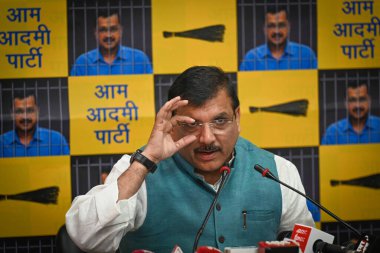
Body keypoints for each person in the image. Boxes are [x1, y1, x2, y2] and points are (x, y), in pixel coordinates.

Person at [66, 66, 314, 253]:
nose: (206, 138)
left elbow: (306, 244)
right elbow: (87, 238)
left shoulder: (279, 171)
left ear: (237, 118)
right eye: (191, 124)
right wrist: (148, 159)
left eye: (219, 121)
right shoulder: (138, 169)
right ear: (172, 124)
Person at [70, 10, 152, 76]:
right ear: (95, 33)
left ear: (121, 31)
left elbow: (150, 92)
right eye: (103, 30)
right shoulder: (83, 63)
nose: (108, 35)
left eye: (113, 29)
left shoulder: (139, 59)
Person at [240, 6, 317, 71]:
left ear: (288, 27)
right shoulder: (251, 58)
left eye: (281, 25)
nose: (276, 31)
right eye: (271, 26)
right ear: (264, 29)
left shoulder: (306, 55)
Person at [0, 90, 70, 157]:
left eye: (30, 110)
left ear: (38, 112)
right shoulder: (1, 142)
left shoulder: (56, 141)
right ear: (12, 114)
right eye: (19, 111)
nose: (25, 117)